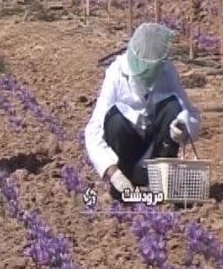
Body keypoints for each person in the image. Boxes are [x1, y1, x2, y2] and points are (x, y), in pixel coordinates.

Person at [84, 22, 201, 199]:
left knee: (172, 106)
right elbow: (93, 130)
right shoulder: (116, 72)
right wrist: (112, 171)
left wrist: (183, 127)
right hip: (126, 150)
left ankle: (163, 182)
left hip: (157, 147)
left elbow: (190, 113)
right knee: (114, 119)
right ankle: (123, 183)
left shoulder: (167, 70)